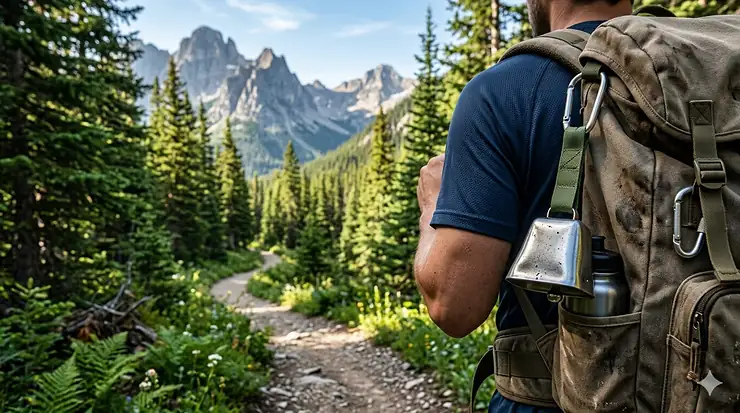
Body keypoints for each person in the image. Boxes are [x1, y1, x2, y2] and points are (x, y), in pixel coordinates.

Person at [413, 0, 633, 412]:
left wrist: (432, 210)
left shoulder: (505, 90)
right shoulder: (700, 76)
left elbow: (453, 307)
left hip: (550, 400)